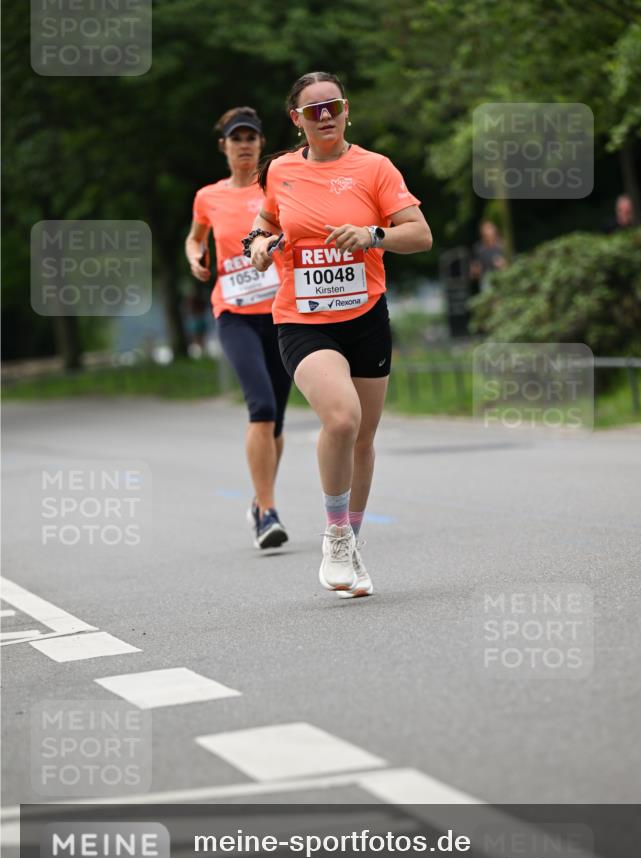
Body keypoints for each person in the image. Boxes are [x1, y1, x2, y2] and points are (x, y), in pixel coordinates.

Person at [246, 72, 432, 596]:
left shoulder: (375, 168)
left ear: (347, 109)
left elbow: (420, 235)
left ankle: (351, 541)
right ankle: (334, 535)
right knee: (343, 418)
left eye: (332, 106)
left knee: (364, 438)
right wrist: (258, 247)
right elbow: (261, 228)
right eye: (313, 110)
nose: (324, 116)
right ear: (296, 120)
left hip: (365, 316)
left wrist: (374, 235)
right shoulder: (280, 171)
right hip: (302, 319)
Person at [185, 107, 291, 549]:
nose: (244, 144)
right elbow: (195, 236)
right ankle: (267, 513)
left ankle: (258, 499)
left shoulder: (279, 188)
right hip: (234, 313)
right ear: (223, 146)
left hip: (283, 312)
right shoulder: (208, 197)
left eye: (251, 137)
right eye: (236, 138)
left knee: (277, 422)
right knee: (261, 407)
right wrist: (195, 256)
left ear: (262, 144)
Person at [469, 220, 506, 291]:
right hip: (486, 280)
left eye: (489, 229)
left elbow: (508, 266)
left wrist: (502, 265)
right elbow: (474, 271)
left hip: (500, 278)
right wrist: (475, 271)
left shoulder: (500, 246)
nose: (488, 232)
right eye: (485, 230)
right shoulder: (478, 248)